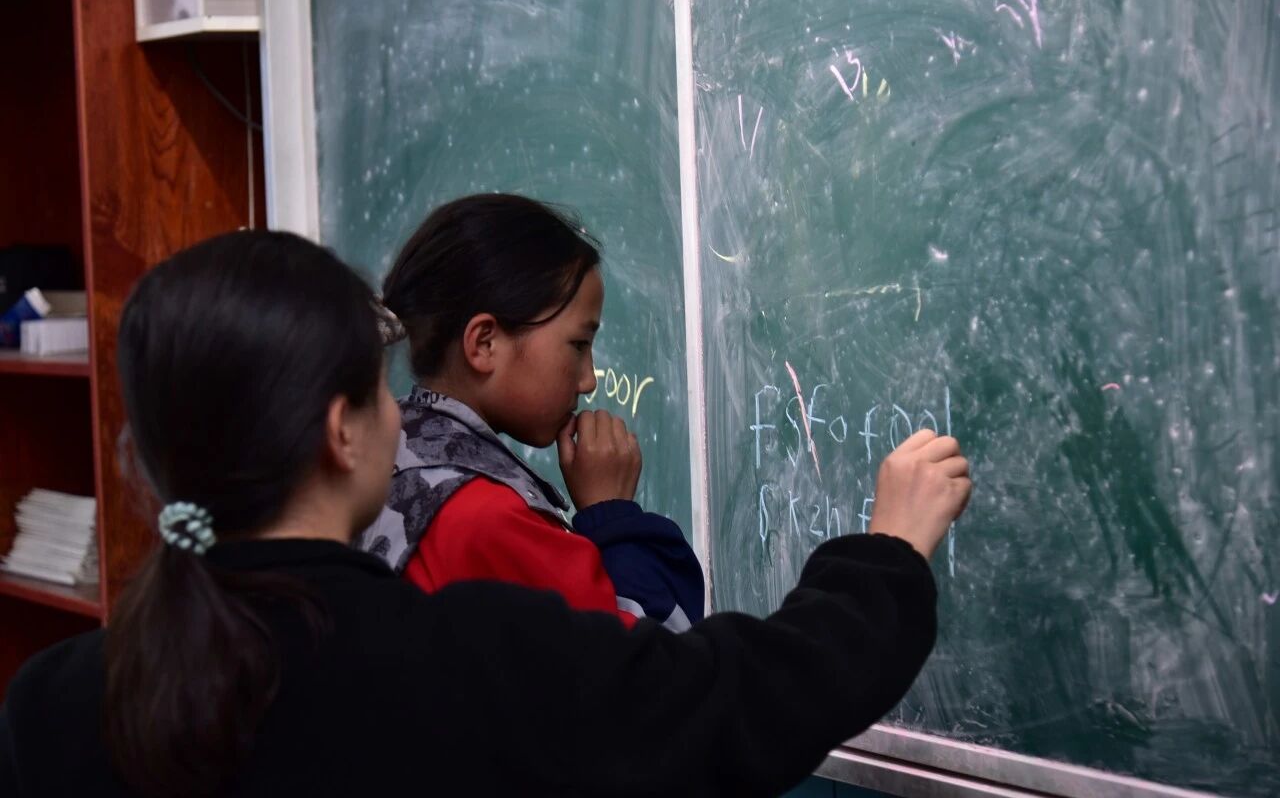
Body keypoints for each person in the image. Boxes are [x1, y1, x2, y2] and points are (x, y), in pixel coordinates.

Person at [0, 229, 971, 797]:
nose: (401, 416)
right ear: (341, 431)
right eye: (380, 392)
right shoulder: (465, 659)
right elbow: (741, 699)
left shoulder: (55, 703)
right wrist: (887, 551)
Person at [361, 194, 703, 629]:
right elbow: (655, 660)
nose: (589, 380)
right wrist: (613, 514)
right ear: (485, 343)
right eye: (578, 345)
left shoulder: (377, 463)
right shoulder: (487, 520)